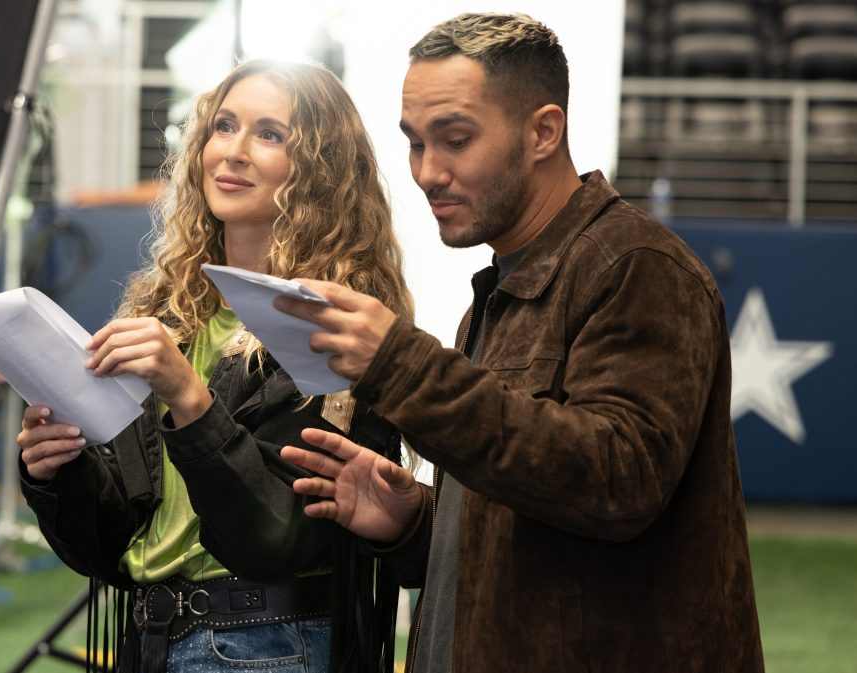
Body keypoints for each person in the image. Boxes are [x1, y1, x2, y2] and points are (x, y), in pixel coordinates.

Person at [274, 13, 765, 673]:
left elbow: (617, 479)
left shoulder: (638, 265)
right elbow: (526, 519)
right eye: (415, 143)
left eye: (454, 139)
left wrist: (400, 363)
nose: (426, 171)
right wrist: (418, 523)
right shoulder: (501, 292)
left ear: (543, 131)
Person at [17, 58, 412, 673]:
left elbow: (275, 537)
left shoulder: (340, 324)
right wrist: (56, 474)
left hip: (270, 643)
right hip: (151, 637)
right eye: (223, 127)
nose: (233, 152)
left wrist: (188, 396)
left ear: (320, 170)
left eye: (269, 134)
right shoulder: (166, 311)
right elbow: (118, 542)